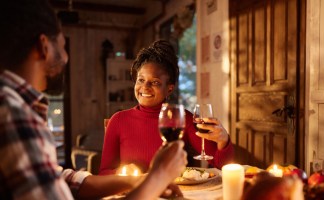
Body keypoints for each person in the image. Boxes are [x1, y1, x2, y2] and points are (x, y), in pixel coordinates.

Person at [0, 0, 187, 199]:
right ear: (43, 46)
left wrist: (139, 180)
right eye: (63, 47)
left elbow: (63, 179)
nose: (65, 57)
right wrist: (158, 177)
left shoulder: (14, 107)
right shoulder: (13, 115)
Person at [99, 40, 234, 175]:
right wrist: (120, 172)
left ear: (169, 89)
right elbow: (103, 172)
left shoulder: (183, 119)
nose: (145, 87)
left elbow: (222, 166)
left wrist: (223, 140)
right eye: (141, 80)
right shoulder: (118, 120)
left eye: (155, 82)